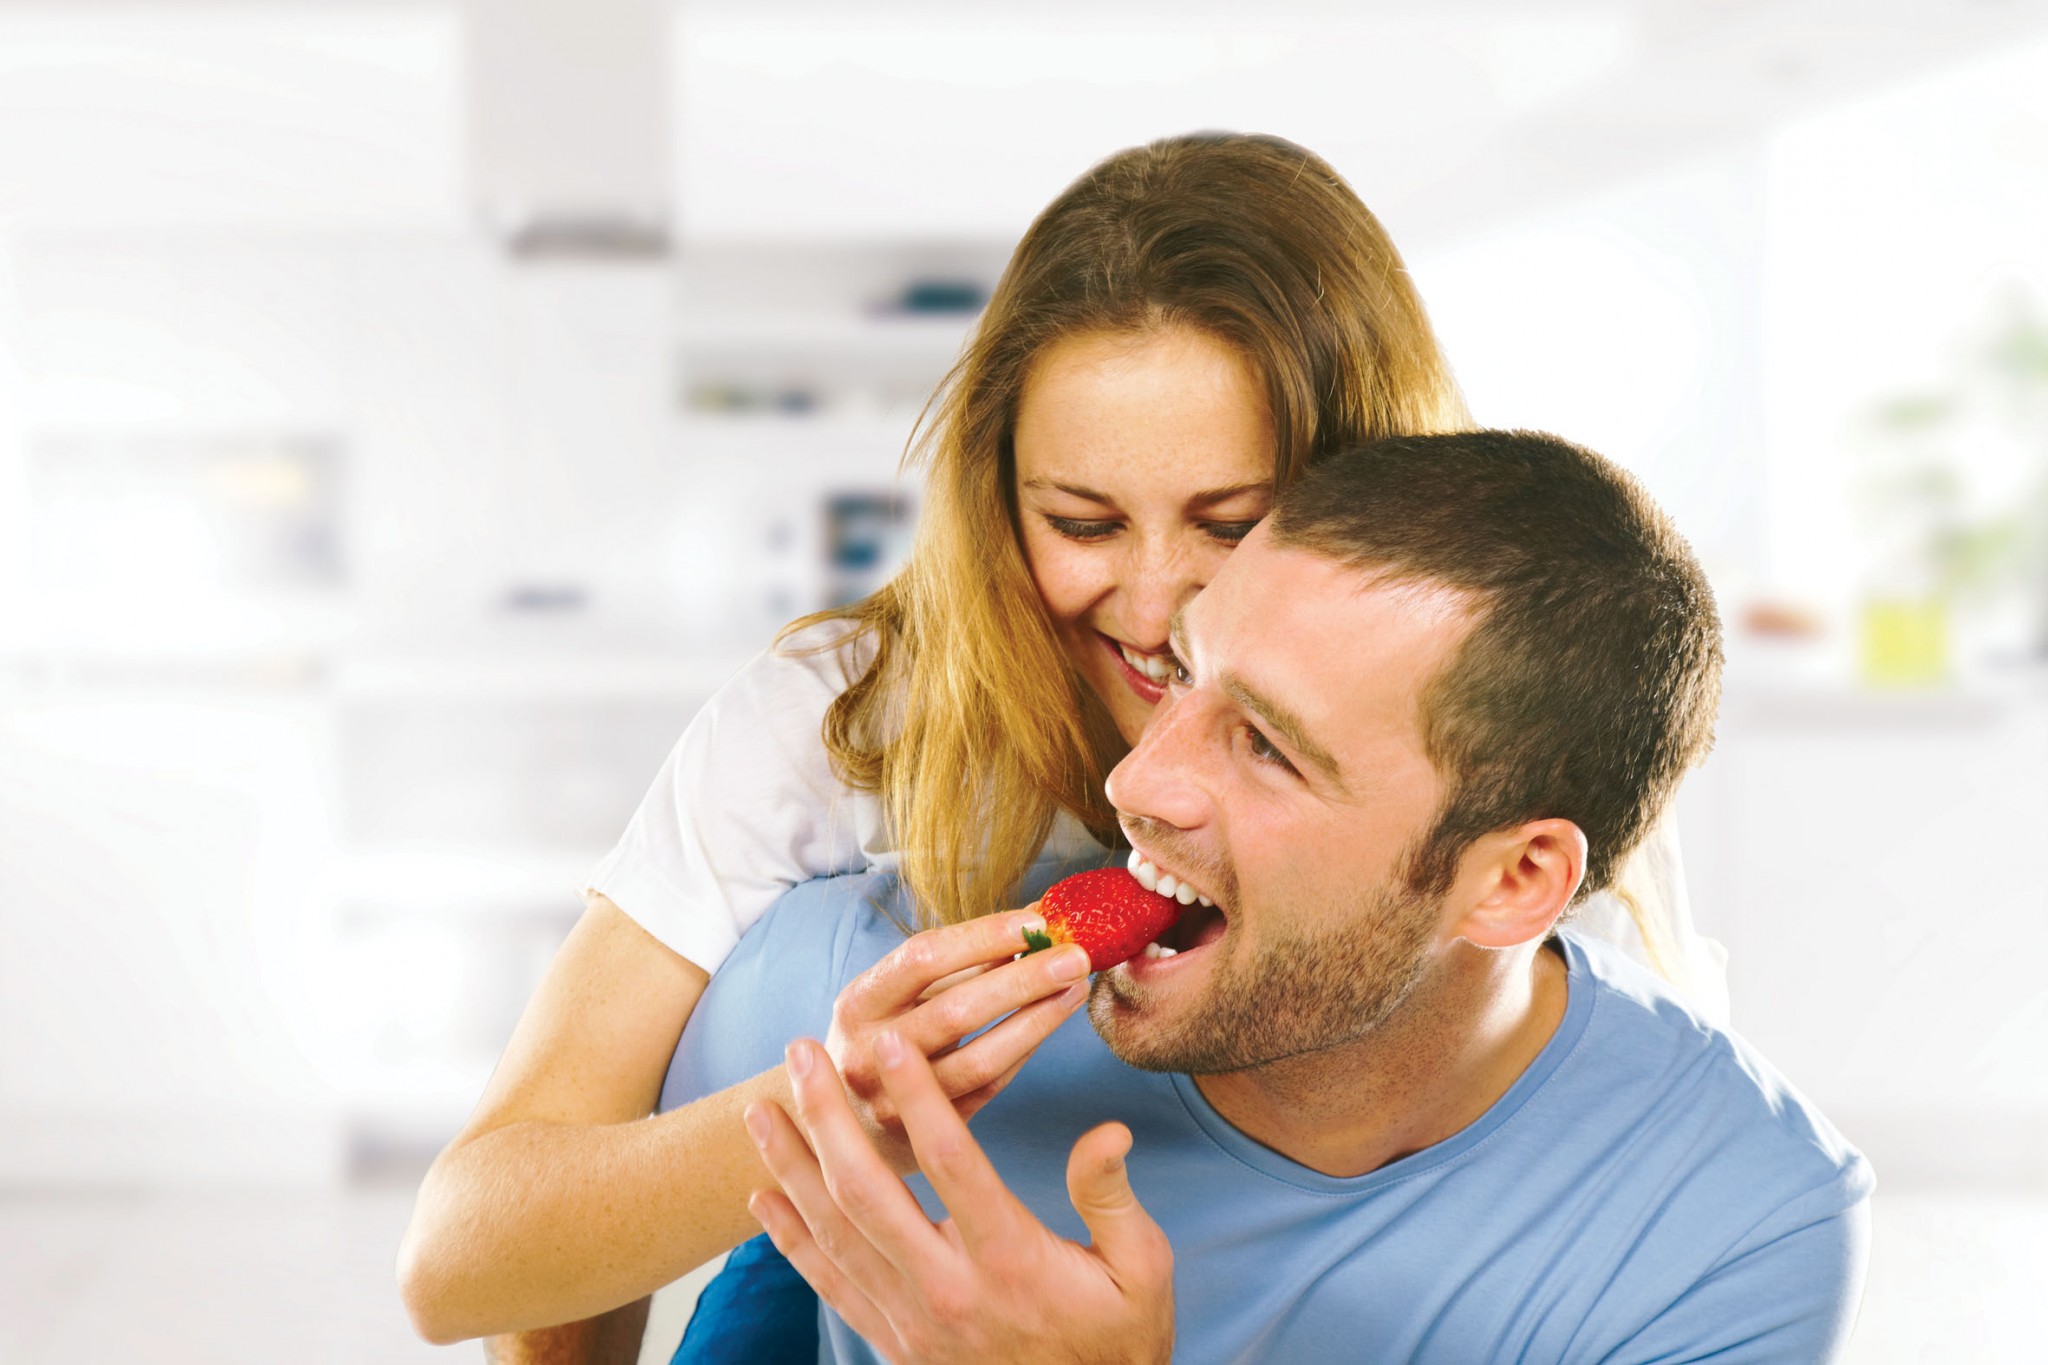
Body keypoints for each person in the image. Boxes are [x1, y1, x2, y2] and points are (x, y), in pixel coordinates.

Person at [397, 134, 1719, 1358]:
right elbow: (465, 1260)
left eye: (1234, 525)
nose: (1153, 610)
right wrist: (846, 1113)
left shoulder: (1515, 793)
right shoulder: (843, 723)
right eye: (1082, 524)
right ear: (997, 500)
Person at [669, 431, 1873, 1362]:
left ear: (1513, 881)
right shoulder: (875, 986)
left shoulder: (1731, 1229)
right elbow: (551, 1244)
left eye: (1265, 748)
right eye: (1182, 673)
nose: (1134, 783)